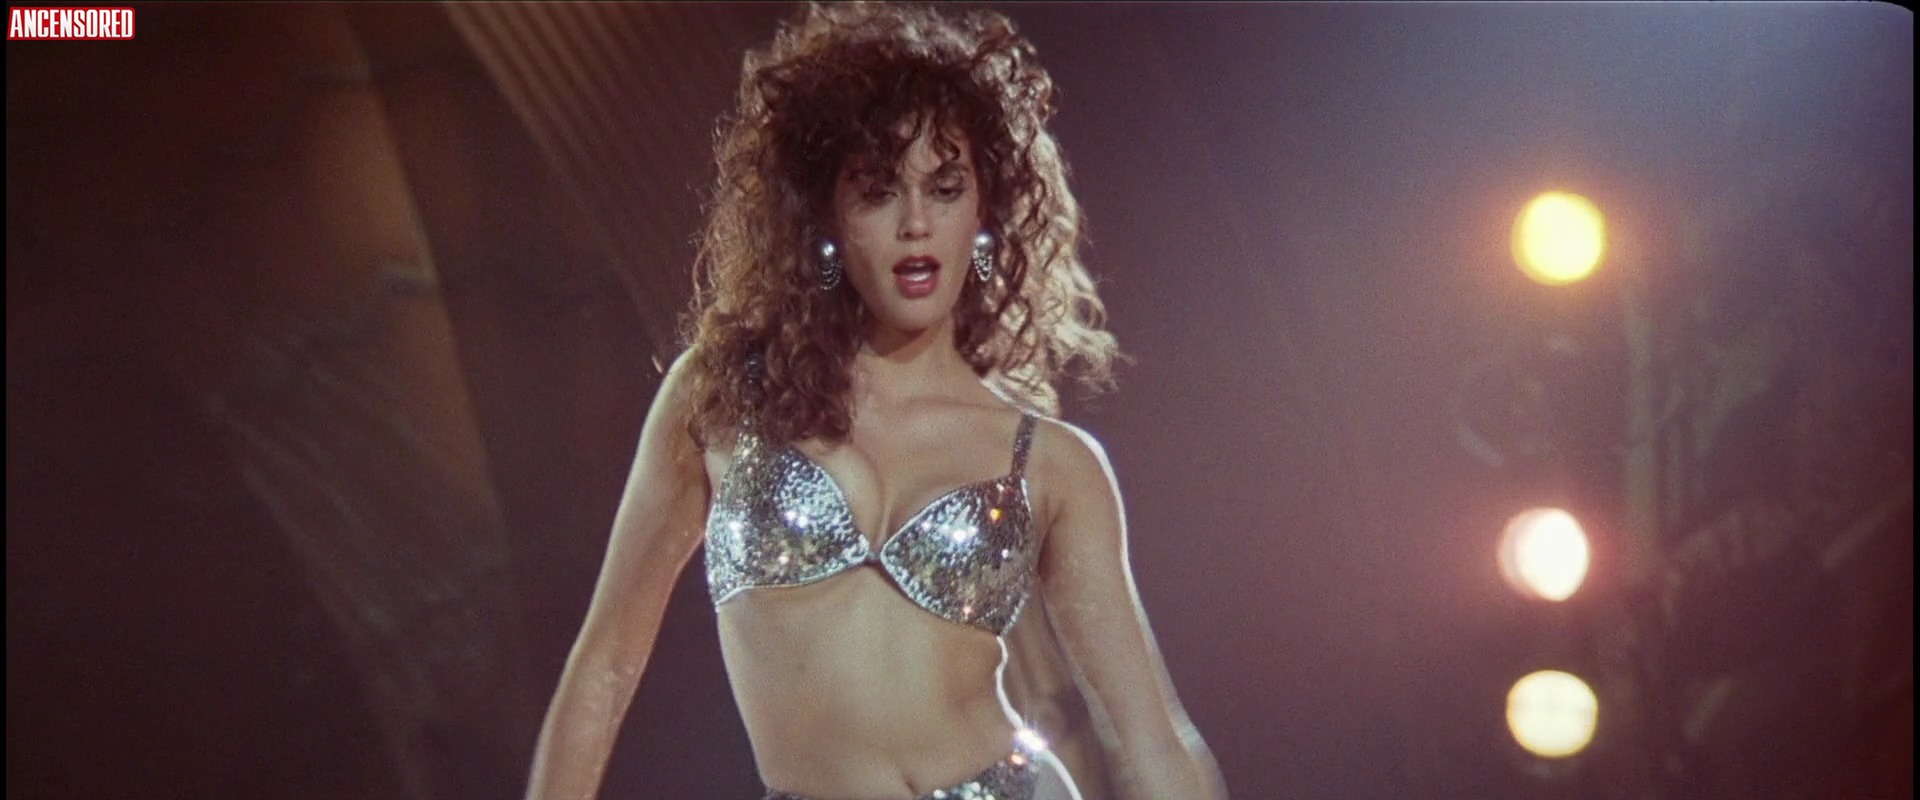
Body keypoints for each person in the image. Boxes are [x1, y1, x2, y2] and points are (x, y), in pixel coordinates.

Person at [524, 3, 1225, 799]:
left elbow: (1153, 737)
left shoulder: (1052, 463)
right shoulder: (720, 396)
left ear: (984, 213)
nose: (916, 223)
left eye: (946, 188)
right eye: (879, 191)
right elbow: (606, 664)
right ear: (824, 214)